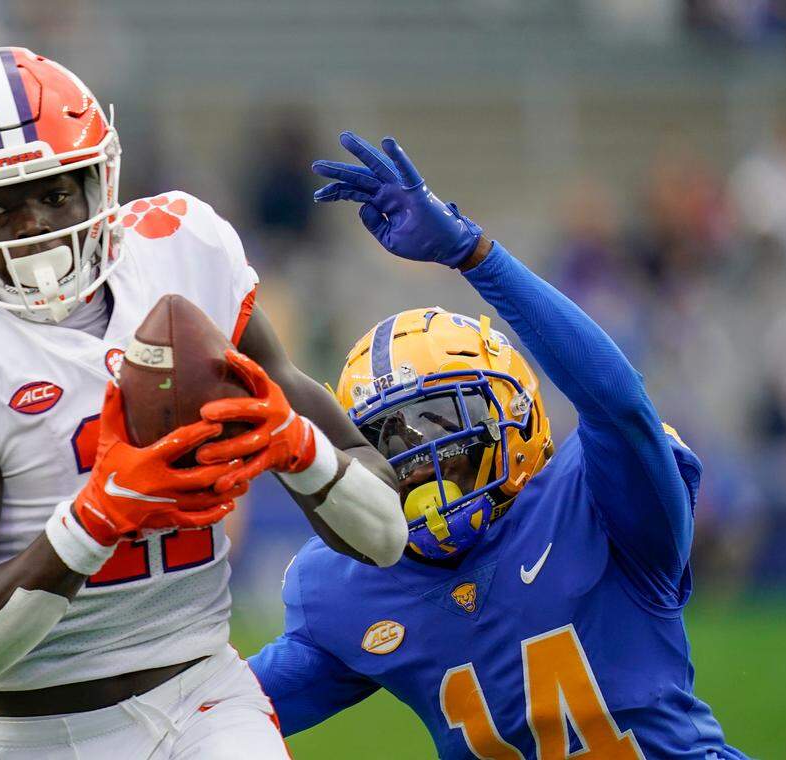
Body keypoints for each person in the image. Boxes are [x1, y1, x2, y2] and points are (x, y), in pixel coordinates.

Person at [0, 50, 406, 760]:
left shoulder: (183, 253)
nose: (33, 226)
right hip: (23, 734)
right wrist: (98, 517)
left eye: (54, 192)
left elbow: (387, 538)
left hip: (200, 698)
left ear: (100, 178)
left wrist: (298, 445)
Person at [247, 131, 748, 759]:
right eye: (389, 437)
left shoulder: (594, 502)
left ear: (513, 419)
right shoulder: (351, 588)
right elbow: (226, 712)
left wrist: (471, 250)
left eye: (439, 424)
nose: (419, 457)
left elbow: (619, 402)